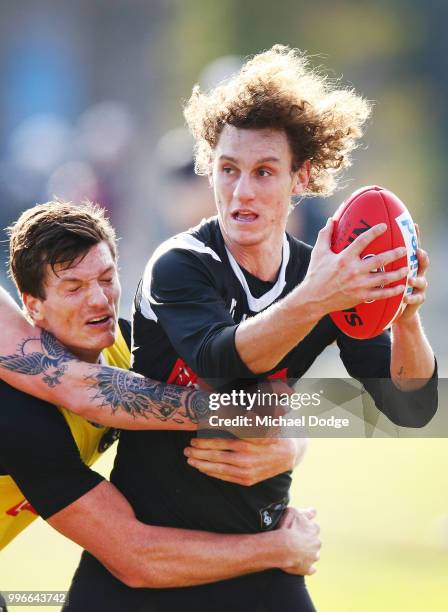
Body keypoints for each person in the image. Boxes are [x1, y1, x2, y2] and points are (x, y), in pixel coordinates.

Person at [59, 45, 436, 611]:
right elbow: (222, 363)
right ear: (210, 166)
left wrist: (405, 319)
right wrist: (318, 298)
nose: (242, 193)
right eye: (228, 170)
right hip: (152, 556)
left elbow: (409, 407)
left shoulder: (321, 277)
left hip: (260, 553)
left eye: (264, 172)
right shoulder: (180, 263)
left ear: (300, 179)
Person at [0, 201, 320, 605]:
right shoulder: (21, 415)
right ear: (33, 307)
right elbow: (135, 557)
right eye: (74, 288)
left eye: (105, 277)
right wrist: (279, 550)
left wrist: (290, 444)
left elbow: (252, 400)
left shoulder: (129, 347)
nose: (99, 300)